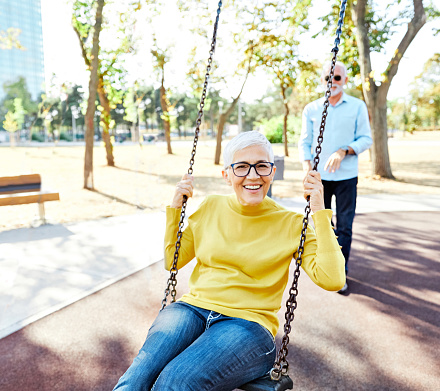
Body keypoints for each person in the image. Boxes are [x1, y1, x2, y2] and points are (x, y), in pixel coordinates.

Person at [113, 131, 345, 391]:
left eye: (261, 166)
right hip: (191, 309)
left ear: (273, 170)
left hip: (247, 325)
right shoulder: (211, 207)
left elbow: (333, 279)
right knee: (136, 378)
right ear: (227, 175)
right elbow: (173, 260)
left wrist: (319, 211)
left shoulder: (291, 223)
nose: (253, 175)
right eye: (242, 167)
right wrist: (175, 210)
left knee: (175, 381)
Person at [299, 61, 373, 294]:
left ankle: (341, 274)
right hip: (320, 178)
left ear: (345, 81)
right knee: (323, 224)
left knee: (345, 226)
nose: (332, 82)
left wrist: (344, 150)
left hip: (346, 177)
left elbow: (365, 138)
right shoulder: (312, 109)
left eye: (338, 78)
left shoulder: (357, 106)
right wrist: (307, 170)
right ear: (322, 80)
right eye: (328, 78)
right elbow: (305, 142)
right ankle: (325, 267)